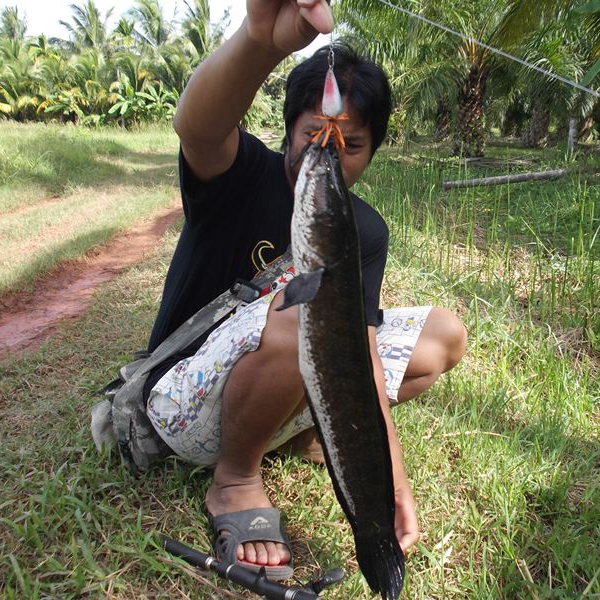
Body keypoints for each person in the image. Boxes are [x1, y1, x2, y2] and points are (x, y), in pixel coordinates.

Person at [141, 0, 467, 580]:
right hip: (182, 399)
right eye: (315, 136)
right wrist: (260, 41)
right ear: (289, 132)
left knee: (442, 336)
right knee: (303, 309)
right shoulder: (239, 175)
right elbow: (197, 126)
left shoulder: (363, 230)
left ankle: (287, 435)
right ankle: (236, 477)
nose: (330, 155)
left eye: (351, 145)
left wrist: (390, 478)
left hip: (282, 368)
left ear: (372, 151)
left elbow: (358, 353)